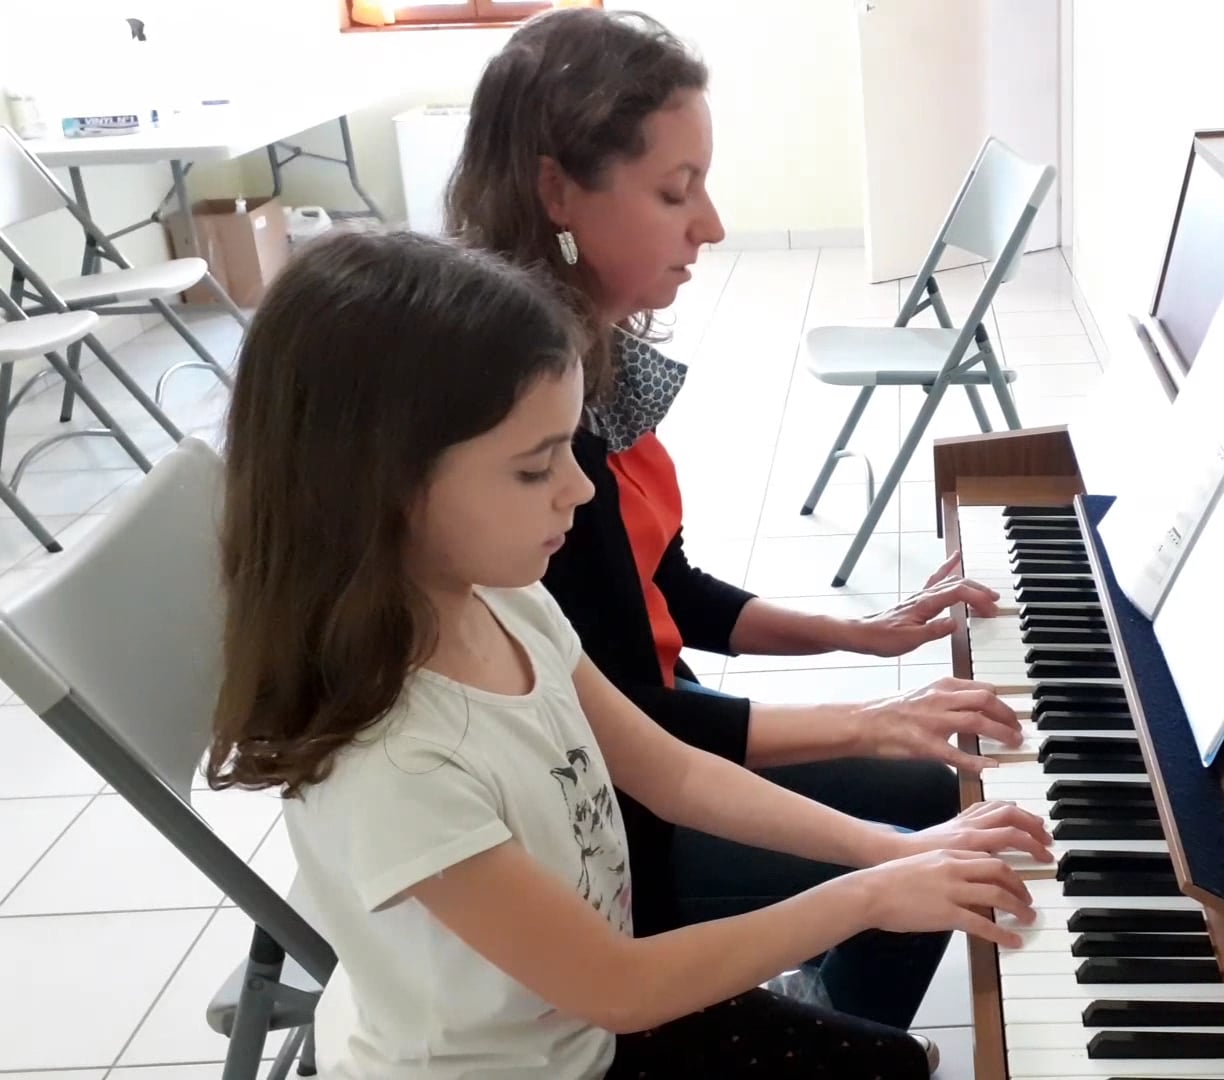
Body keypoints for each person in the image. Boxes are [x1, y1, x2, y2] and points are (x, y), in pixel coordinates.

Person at [206, 229, 1049, 1078]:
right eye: (535, 469)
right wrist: (870, 893)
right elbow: (621, 987)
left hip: (590, 1023)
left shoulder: (505, 600)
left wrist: (887, 849)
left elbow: (674, 774)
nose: (579, 488)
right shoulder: (394, 760)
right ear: (381, 486)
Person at [445, 7, 1018, 1028]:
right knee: (925, 811)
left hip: (651, 734)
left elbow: (666, 588)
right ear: (557, 192)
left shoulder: (583, 372)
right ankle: (825, 1016)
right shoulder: (521, 441)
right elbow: (635, 731)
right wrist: (874, 725)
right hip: (613, 821)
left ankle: (821, 1004)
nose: (710, 225)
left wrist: (857, 636)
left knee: (925, 792)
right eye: (677, 191)